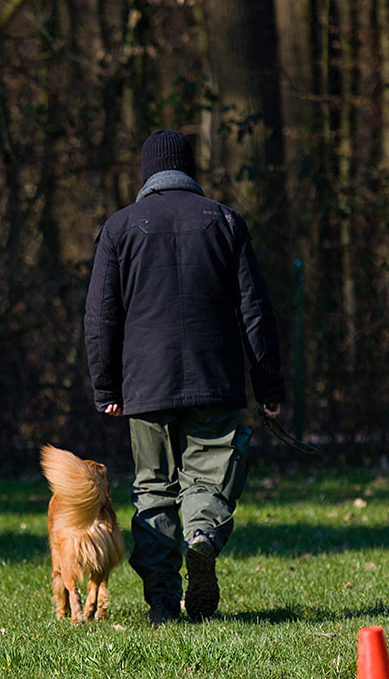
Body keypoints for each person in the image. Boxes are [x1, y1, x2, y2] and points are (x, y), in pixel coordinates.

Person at [84, 129, 285, 623]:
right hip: (212, 376)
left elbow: (101, 316)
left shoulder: (120, 227)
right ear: (190, 171)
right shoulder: (225, 221)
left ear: (146, 173)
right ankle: (201, 537)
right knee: (208, 479)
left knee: (153, 487)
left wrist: (105, 386)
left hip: (143, 386)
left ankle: (160, 603)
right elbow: (255, 312)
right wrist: (269, 387)